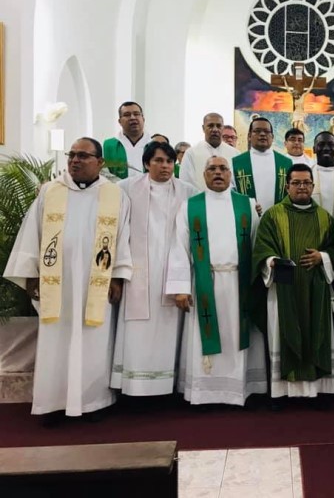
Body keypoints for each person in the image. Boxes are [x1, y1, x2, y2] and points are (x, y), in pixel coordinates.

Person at [4, 137, 131, 423]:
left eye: (83, 156)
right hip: (57, 284)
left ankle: (92, 402)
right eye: (72, 155)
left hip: (95, 283)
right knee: (55, 342)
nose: (75, 160)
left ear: (100, 162)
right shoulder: (50, 192)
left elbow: (122, 237)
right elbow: (32, 233)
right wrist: (32, 275)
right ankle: (52, 403)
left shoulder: (114, 195)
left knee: (94, 342)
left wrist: (118, 276)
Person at [166, 156, 266, 406]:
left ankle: (238, 389)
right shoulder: (191, 206)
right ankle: (205, 392)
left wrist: (259, 280)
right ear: (204, 175)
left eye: (223, 168)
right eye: (212, 169)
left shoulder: (247, 204)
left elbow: (258, 243)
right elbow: (179, 247)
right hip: (205, 282)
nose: (218, 173)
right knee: (206, 337)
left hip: (239, 282)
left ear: (231, 174)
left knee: (237, 336)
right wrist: (180, 288)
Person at [111, 142, 198, 399]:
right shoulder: (125, 188)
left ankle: (167, 387)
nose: (165, 166)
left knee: (170, 329)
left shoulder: (188, 191)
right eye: (158, 161)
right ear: (147, 163)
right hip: (138, 272)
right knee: (137, 331)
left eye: (169, 161)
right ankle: (134, 388)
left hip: (174, 270)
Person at [253, 164, 334, 408]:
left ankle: (317, 390)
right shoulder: (273, 215)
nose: (302, 187)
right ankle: (282, 393)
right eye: (296, 183)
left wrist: (323, 257)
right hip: (283, 288)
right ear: (287, 186)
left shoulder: (324, 217)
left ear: (313, 186)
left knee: (317, 334)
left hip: (316, 289)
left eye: (306, 183)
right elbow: (261, 248)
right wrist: (272, 261)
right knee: (284, 335)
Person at [232, 117, 293, 215]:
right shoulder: (236, 163)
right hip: (247, 218)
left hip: (279, 218)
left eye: (267, 131)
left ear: (272, 137)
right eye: (257, 131)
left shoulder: (286, 163)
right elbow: (231, 193)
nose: (262, 134)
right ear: (249, 136)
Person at [179, 113, 239, 191]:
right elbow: (185, 183)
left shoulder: (235, 154)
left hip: (229, 198)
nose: (215, 129)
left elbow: (238, 183)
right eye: (210, 126)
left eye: (218, 126)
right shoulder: (191, 153)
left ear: (222, 128)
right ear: (203, 128)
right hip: (200, 198)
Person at [103, 101, 151, 179]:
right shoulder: (108, 145)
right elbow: (104, 175)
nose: (133, 117)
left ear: (143, 119)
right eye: (127, 115)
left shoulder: (154, 144)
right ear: (120, 121)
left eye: (136, 114)